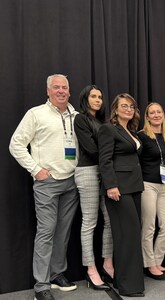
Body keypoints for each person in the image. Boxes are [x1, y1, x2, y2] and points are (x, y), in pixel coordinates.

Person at [9, 74, 79, 300]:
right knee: (46, 232)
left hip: (71, 182)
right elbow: (16, 144)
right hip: (47, 183)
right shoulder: (36, 114)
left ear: (69, 91)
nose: (61, 91)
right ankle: (41, 284)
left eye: (64, 88)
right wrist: (35, 169)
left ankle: (57, 273)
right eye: (56, 87)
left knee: (63, 231)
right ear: (48, 91)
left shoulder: (76, 116)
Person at [98, 93, 145, 297]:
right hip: (119, 189)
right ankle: (128, 286)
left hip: (134, 187)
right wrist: (111, 185)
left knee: (132, 234)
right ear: (115, 110)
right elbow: (105, 159)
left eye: (131, 106)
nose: (128, 109)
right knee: (127, 235)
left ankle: (122, 280)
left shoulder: (131, 130)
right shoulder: (108, 129)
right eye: (123, 106)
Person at [74, 85, 112, 291]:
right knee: (89, 222)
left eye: (100, 96)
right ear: (85, 99)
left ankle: (107, 264)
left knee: (109, 221)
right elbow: (90, 148)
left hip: (104, 172)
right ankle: (91, 270)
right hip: (88, 171)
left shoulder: (101, 122)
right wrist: (110, 159)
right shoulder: (81, 119)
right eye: (93, 96)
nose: (98, 100)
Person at [138, 102, 165, 280]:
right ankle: (149, 264)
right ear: (147, 116)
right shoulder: (142, 136)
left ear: (163, 114)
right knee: (149, 226)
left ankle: (157, 260)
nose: (156, 115)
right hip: (148, 185)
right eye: (152, 112)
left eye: (158, 111)